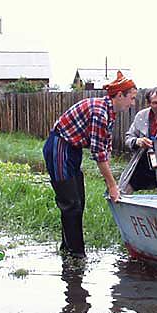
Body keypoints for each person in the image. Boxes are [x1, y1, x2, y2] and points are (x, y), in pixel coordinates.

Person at [43, 71, 137, 258]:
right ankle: (77, 256)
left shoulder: (109, 112)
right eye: (131, 98)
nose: (132, 103)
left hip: (72, 149)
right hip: (59, 147)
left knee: (78, 202)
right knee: (71, 204)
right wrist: (111, 185)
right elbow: (99, 155)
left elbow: (105, 147)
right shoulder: (100, 112)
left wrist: (111, 182)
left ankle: (68, 248)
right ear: (119, 95)